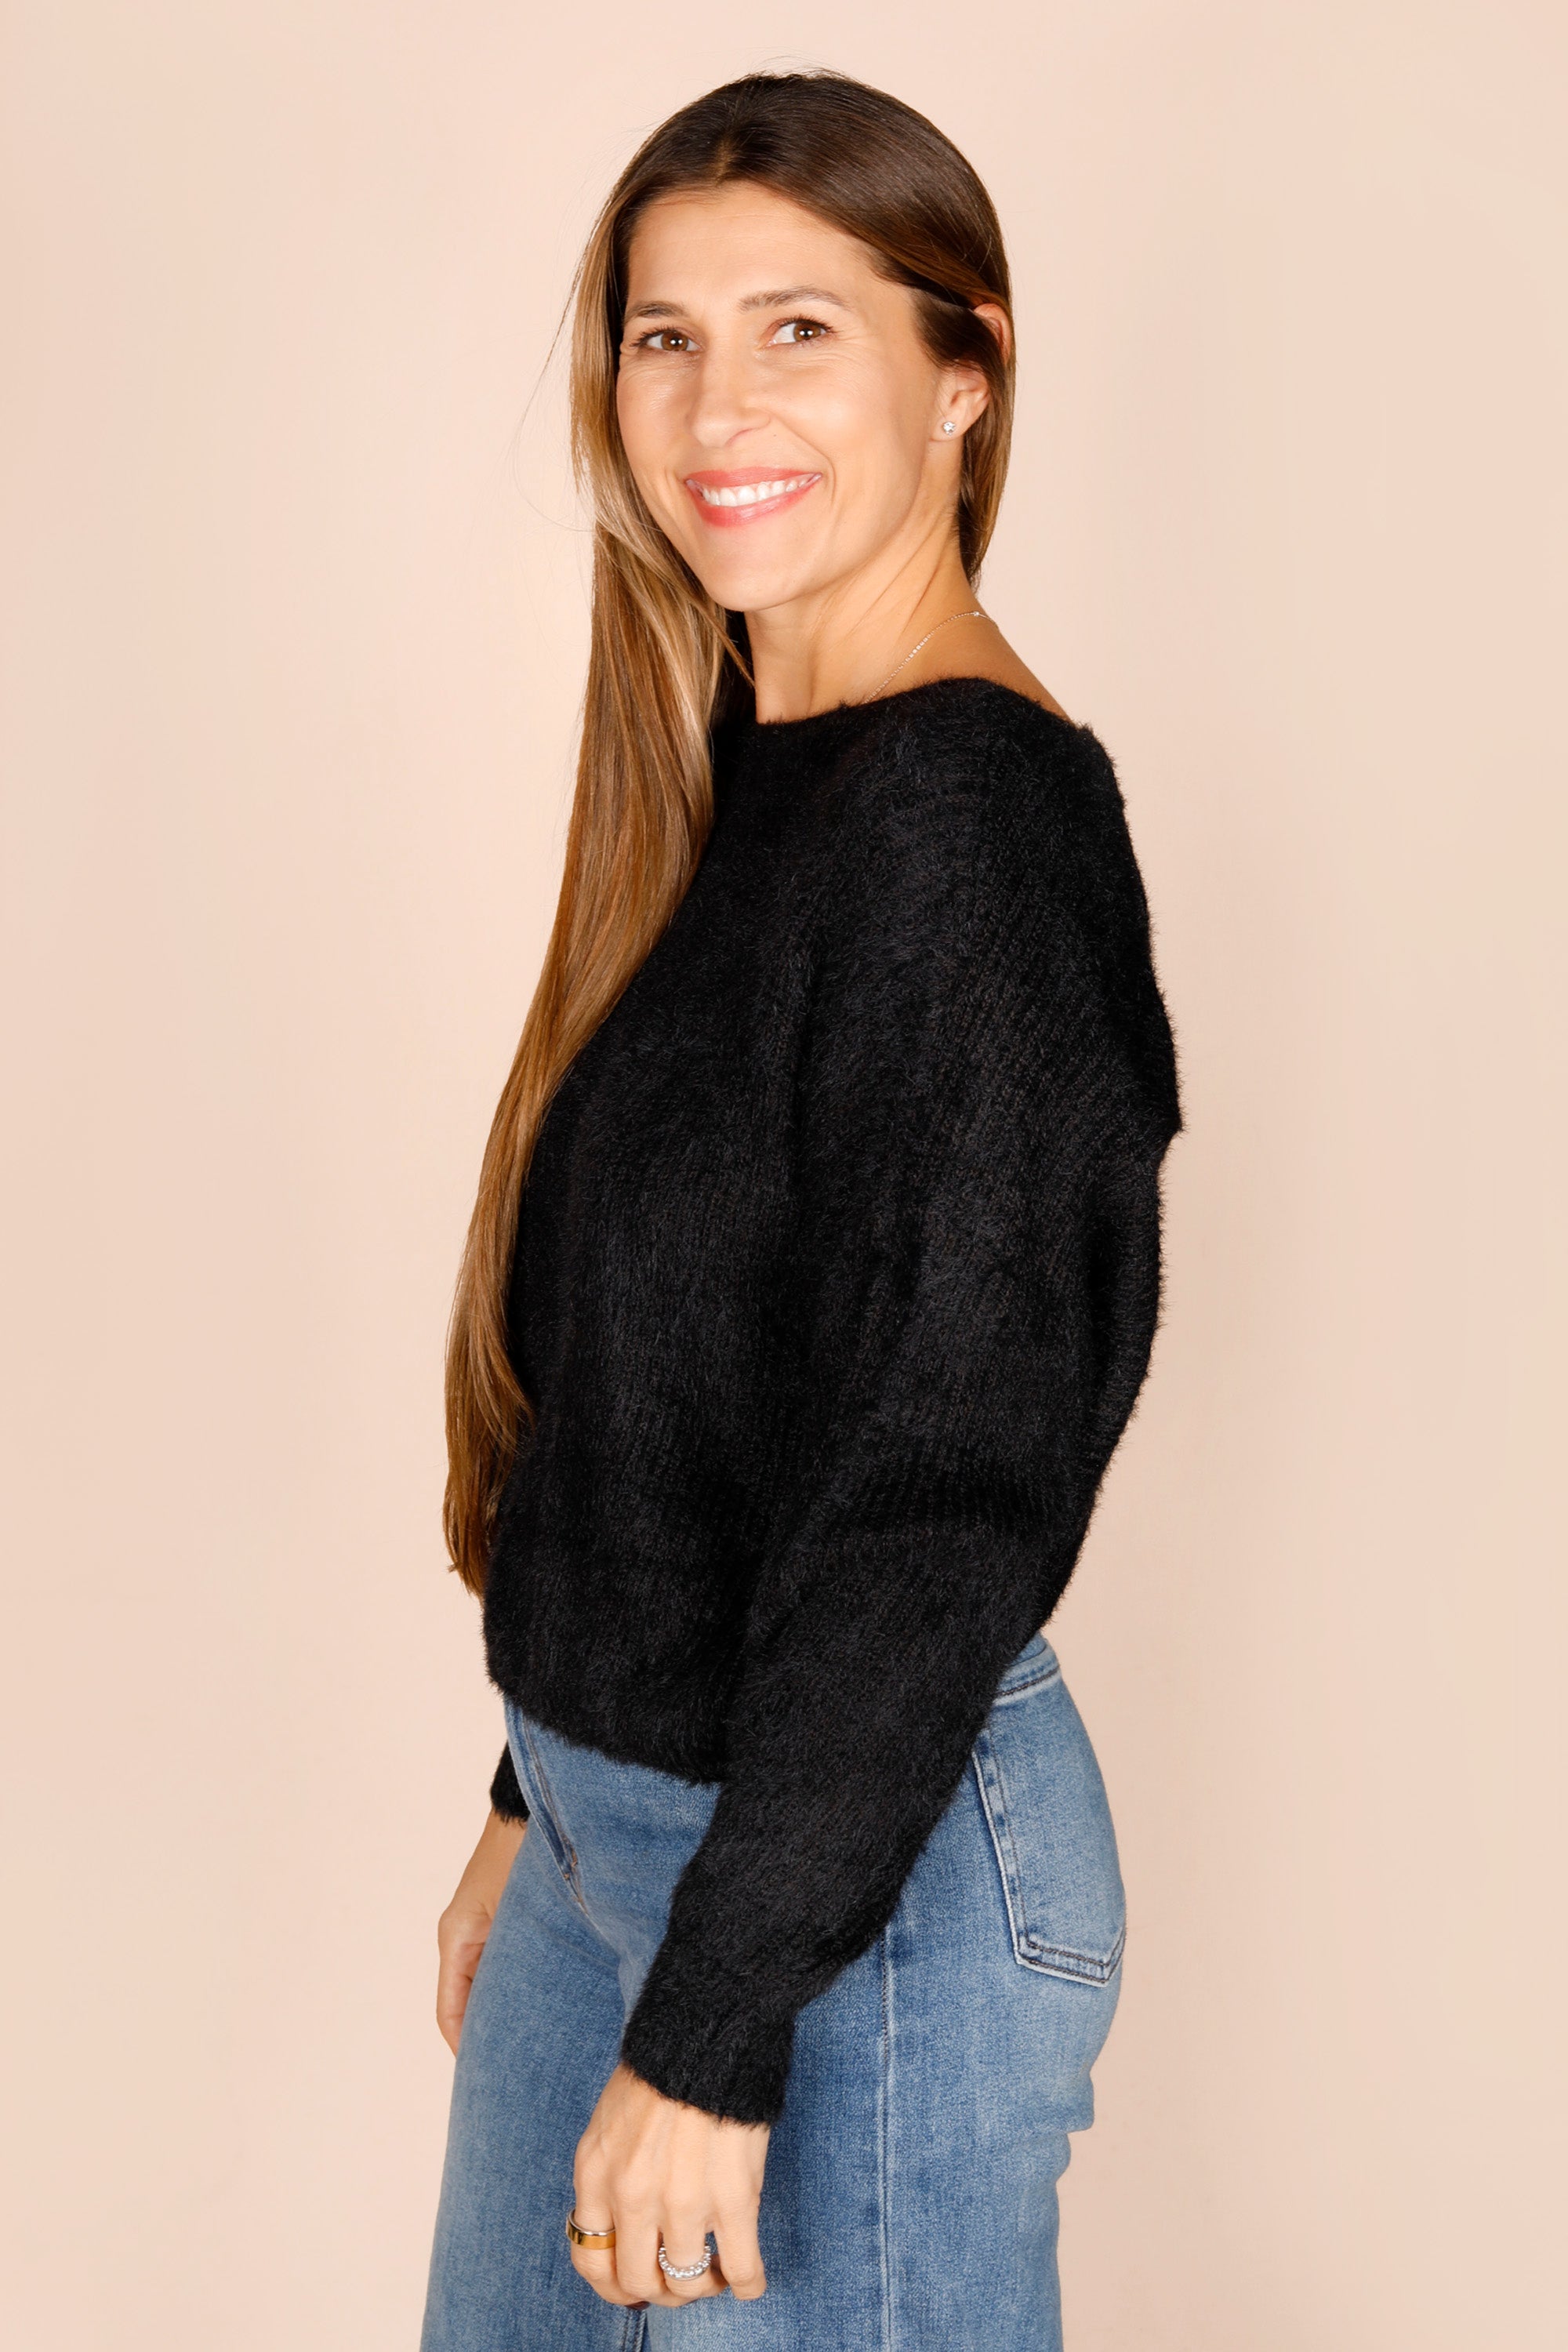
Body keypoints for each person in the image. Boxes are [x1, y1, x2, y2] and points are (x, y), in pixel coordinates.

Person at [420, 68, 1180, 2352]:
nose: (714, 406)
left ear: (966, 374)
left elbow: (939, 1484)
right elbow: (687, 1385)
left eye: (799, 329)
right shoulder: (749, 784)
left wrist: (719, 2017)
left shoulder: (971, 827)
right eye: (664, 336)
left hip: (857, 1887)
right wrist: (533, 1790)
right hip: (633, 1828)